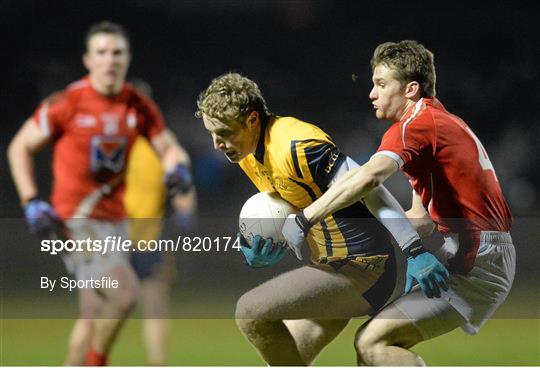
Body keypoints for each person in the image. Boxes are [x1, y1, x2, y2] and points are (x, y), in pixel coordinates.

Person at [282, 40, 515, 365]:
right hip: (476, 251)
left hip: (476, 256)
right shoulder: (436, 121)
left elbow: (368, 177)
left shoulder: (414, 126)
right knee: (371, 346)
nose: (372, 94)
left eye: (380, 84)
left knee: (373, 342)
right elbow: (420, 219)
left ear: (410, 89)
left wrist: (305, 218)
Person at [195, 72, 448, 365]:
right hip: (330, 266)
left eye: (224, 132)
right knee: (287, 357)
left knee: (250, 312)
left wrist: (414, 250)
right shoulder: (248, 151)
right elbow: (290, 203)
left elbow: (368, 184)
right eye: (212, 133)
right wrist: (260, 242)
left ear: (252, 119)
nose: (217, 143)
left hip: (364, 267)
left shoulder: (296, 143)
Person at [7, 21, 194, 366]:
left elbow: (170, 148)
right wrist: (30, 200)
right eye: (102, 53)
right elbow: (19, 147)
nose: (110, 60)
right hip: (75, 221)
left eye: (117, 53)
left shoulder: (137, 106)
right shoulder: (67, 103)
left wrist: (177, 168)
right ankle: (97, 362)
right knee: (124, 293)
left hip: (115, 222)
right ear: (88, 60)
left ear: (128, 59)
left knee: (92, 315)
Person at [125, 78, 196, 366]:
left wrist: (184, 208)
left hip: (148, 240)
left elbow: (182, 178)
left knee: (155, 310)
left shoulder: (162, 143)